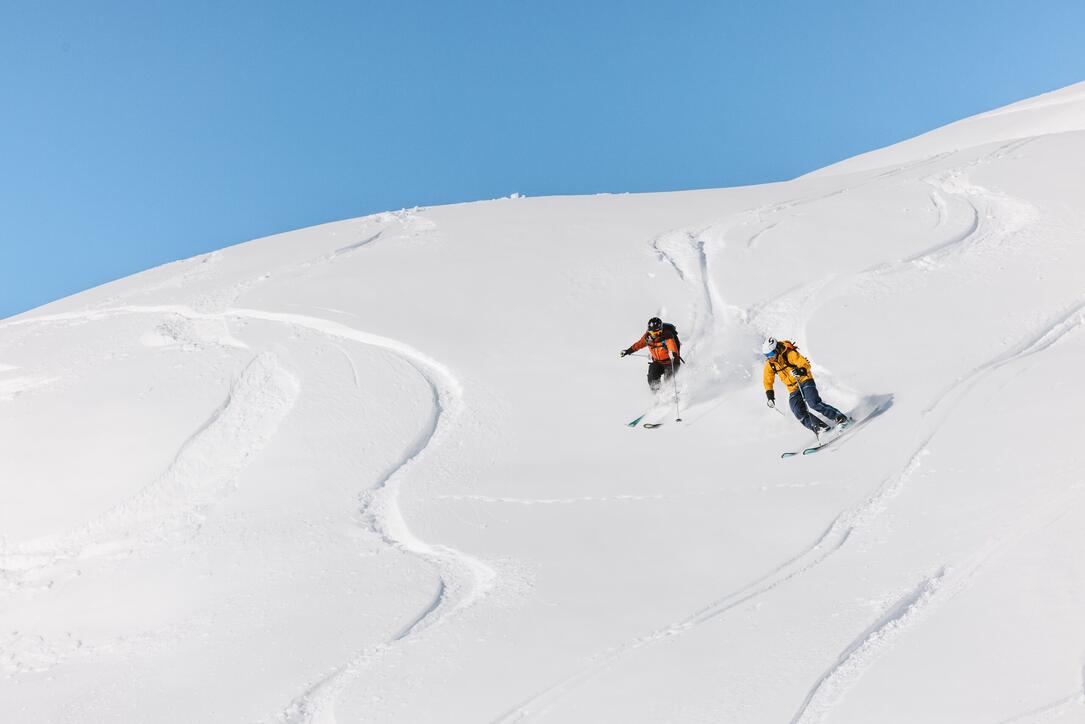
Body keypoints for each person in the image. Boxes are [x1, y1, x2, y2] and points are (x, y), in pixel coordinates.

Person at [762, 336, 848, 434]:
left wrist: (799, 371)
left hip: (804, 380)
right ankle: (821, 429)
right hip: (793, 389)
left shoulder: (789, 354)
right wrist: (770, 397)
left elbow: (805, 364)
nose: (770, 358)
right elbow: (767, 381)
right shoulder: (770, 364)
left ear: (776, 349)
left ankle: (840, 418)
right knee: (797, 411)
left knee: (813, 403)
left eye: (771, 354)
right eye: (767, 355)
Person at [621, 317, 682, 392]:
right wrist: (628, 351)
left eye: (657, 332)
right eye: (652, 333)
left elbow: (672, 346)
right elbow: (639, 344)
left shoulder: (667, 335)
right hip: (658, 362)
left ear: (661, 329)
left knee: (669, 380)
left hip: (671, 362)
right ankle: (656, 393)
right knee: (652, 375)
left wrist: (673, 353)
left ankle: (670, 395)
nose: (654, 335)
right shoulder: (647, 337)